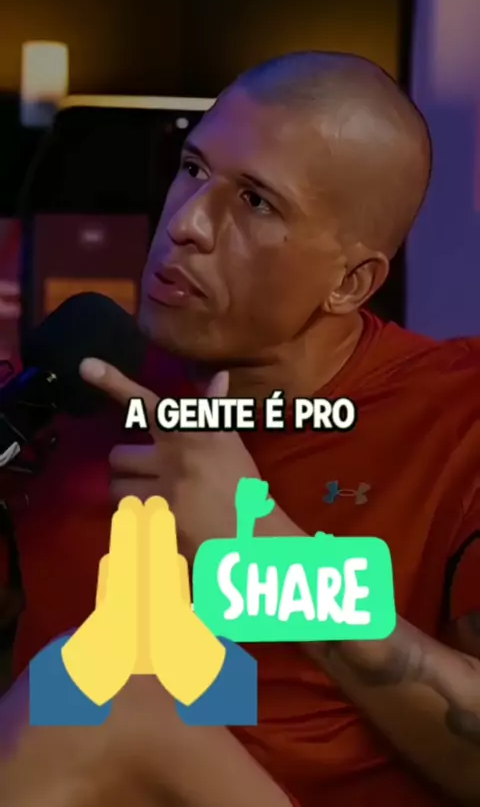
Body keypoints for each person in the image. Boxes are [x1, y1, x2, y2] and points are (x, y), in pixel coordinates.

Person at [1, 50, 480, 806]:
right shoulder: (75, 390)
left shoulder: (458, 416)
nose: (186, 223)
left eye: (257, 202)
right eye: (193, 169)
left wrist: (264, 555)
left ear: (350, 282)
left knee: (103, 700)